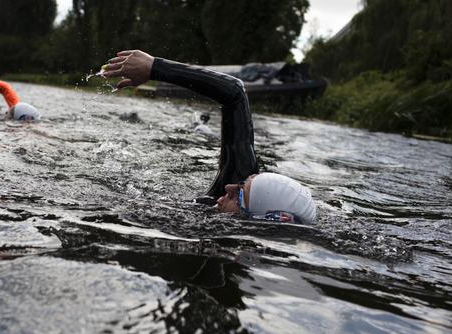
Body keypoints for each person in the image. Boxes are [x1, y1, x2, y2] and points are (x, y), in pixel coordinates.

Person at [102, 50, 317, 225]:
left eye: (238, 195)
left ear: (258, 219)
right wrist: (154, 67)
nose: (228, 188)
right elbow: (235, 93)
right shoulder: (228, 198)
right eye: (242, 182)